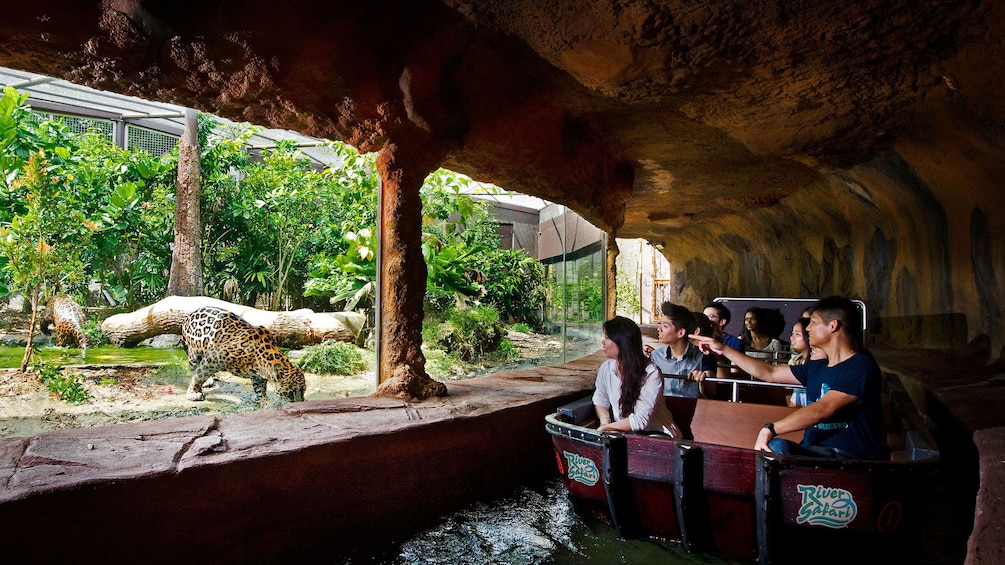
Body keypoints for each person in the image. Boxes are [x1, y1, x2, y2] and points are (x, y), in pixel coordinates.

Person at [689, 296, 888, 460]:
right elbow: (769, 372)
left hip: (851, 458)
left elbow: (823, 409)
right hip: (817, 453)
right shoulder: (816, 367)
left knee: (775, 444)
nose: (808, 328)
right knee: (776, 449)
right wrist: (722, 349)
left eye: (813, 323)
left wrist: (770, 428)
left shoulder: (860, 366)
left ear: (833, 326)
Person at [594, 316, 680, 437]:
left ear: (623, 342)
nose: (602, 342)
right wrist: (605, 421)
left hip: (657, 435)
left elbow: (640, 420)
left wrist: (607, 428)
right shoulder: (606, 368)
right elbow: (600, 400)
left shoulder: (651, 373)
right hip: (624, 434)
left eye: (607, 338)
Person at [645, 303, 715, 399]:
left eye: (665, 326)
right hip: (663, 409)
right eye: (660, 324)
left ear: (681, 332)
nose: (659, 329)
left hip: (695, 410)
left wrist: (702, 381)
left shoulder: (704, 356)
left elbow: (711, 393)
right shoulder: (655, 357)